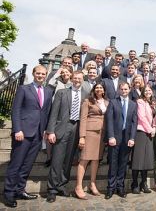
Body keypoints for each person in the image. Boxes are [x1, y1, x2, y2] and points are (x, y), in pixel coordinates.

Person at [3, 66, 53, 208]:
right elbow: (16, 110)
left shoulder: (48, 92)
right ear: (33, 74)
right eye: (38, 73)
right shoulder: (24, 89)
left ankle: (20, 189)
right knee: (16, 163)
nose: (40, 76)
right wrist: (17, 129)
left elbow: (47, 112)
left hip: (38, 133)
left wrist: (45, 129)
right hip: (23, 133)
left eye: (43, 74)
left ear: (46, 75)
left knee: (27, 164)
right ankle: (9, 193)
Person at [46, 71, 89, 203]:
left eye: (79, 78)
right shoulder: (62, 93)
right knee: (57, 160)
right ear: (71, 79)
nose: (77, 80)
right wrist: (51, 131)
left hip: (76, 129)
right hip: (62, 128)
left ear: (83, 80)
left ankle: (62, 186)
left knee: (69, 159)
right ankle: (52, 189)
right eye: (75, 78)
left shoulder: (86, 96)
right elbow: (54, 114)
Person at [75, 82, 109, 199]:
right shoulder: (88, 101)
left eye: (101, 88)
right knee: (85, 158)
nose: (99, 89)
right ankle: (78, 186)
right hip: (90, 132)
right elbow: (83, 118)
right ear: (94, 90)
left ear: (104, 90)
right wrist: (82, 136)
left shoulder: (107, 102)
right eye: (97, 88)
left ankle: (92, 183)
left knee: (96, 159)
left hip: (101, 133)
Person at [104, 82, 137, 199]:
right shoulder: (113, 102)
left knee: (123, 164)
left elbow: (134, 122)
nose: (124, 91)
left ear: (129, 90)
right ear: (119, 90)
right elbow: (109, 120)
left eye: (126, 89)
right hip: (115, 137)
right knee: (113, 163)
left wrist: (132, 138)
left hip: (127, 138)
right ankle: (110, 188)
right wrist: (111, 136)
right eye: (122, 89)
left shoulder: (133, 104)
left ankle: (120, 187)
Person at [132, 84, 156, 194]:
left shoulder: (152, 103)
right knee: (138, 158)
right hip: (142, 131)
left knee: (146, 158)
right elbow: (141, 117)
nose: (147, 92)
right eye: (145, 90)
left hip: (150, 132)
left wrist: (154, 128)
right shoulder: (140, 101)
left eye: (149, 90)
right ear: (142, 92)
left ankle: (144, 182)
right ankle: (135, 183)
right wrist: (150, 129)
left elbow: (154, 118)